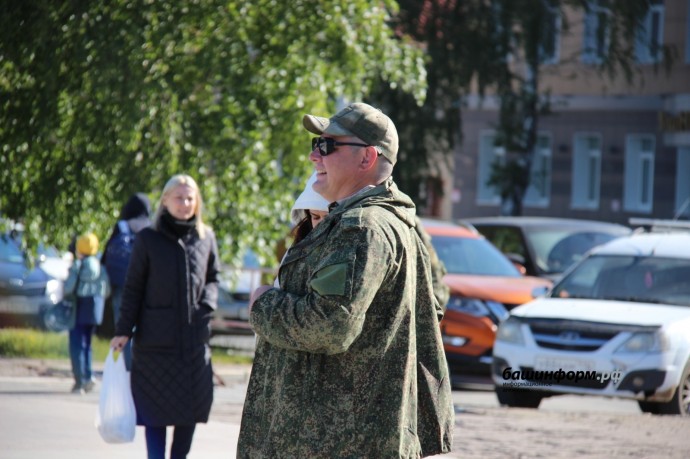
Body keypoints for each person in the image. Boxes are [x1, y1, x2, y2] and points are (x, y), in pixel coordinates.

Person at [238, 102, 454, 458]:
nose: (314, 157)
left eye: (326, 146)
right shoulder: (386, 222)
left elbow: (327, 325)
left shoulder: (361, 228)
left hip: (333, 440)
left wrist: (263, 303)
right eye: (314, 146)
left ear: (367, 158)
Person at [110, 174, 220, 459]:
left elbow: (213, 278)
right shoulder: (148, 238)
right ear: (165, 201)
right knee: (154, 414)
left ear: (197, 202)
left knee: (190, 411)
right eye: (179, 198)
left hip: (194, 342)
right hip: (155, 343)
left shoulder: (206, 237)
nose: (185, 203)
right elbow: (133, 287)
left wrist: (206, 306)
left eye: (190, 198)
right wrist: (123, 330)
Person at [101, 192, 152, 367]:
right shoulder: (151, 227)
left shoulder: (122, 226)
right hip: (145, 287)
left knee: (123, 329)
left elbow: (106, 255)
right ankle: (141, 367)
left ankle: (128, 367)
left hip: (121, 286)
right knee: (143, 329)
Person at [64, 232, 110, 394]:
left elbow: (68, 287)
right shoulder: (100, 266)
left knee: (76, 344)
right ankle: (89, 376)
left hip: (79, 307)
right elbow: (107, 289)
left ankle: (79, 381)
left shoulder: (78, 265)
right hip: (95, 309)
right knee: (87, 345)